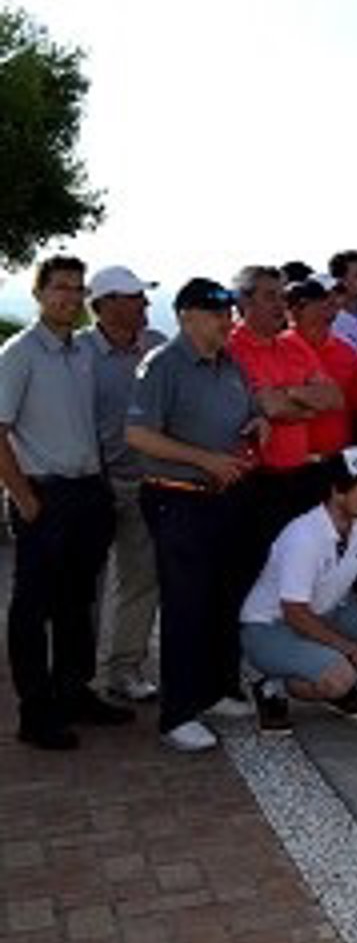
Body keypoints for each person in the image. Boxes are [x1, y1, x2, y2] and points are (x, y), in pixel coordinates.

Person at [127, 278, 270, 753]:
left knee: (223, 599)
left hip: (227, 497)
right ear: (186, 316)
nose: (226, 321)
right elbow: (139, 435)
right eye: (215, 314)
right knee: (186, 605)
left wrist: (259, 422)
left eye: (228, 313)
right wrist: (204, 459)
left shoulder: (230, 363)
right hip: (178, 498)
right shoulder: (163, 365)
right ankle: (178, 713)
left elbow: (251, 409)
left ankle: (217, 689)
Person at [0, 256, 128, 750]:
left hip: (87, 493)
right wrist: (25, 499)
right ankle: (35, 713)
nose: (70, 297)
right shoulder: (20, 354)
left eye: (78, 289)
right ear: (39, 293)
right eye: (60, 288)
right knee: (32, 609)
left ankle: (73, 693)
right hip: (44, 495)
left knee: (77, 603)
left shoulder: (81, 353)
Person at [238, 447, 357, 731]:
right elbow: (294, 612)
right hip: (271, 626)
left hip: (325, 614)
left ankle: (324, 670)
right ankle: (272, 685)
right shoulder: (304, 536)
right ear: (337, 491)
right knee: (339, 678)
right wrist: (350, 649)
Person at [81, 266, 167, 705]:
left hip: (143, 482)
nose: (145, 304)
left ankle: (124, 670)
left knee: (140, 580)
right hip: (90, 485)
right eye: (135, 297)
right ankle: (78, 676)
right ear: (106, 304)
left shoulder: (157, 346)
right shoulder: (78, 351)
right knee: (85, 586)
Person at [228, 265, 344, 545]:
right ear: (245, 301)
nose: (280, 305)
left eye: (282, 296)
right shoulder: (233, 347)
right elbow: (272, 408)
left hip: (301, 474)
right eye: (270, 296)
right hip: (257, 479)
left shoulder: (293, 344)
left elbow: (334, 398)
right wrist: (309, 405)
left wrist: (288, 392)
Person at [286, 277, 357, 463]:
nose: (330, 303)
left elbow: (353, 408)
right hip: (294, 459)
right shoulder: (278, 348)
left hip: (338, 456)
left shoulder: (347, 352)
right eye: (321, 299)